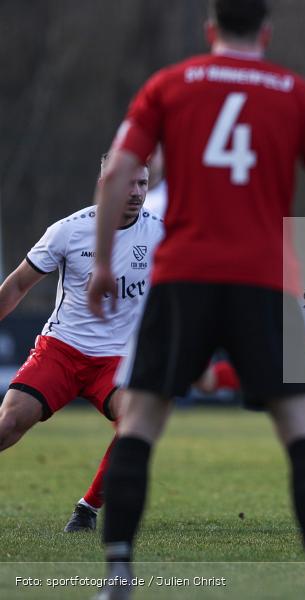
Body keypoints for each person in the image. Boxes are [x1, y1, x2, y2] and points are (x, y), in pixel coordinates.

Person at [87, 1, 305, 599]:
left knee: (142, 420)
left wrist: (103, 262)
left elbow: (118, 173)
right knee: (300, 426)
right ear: (265, 31)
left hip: (183, 276)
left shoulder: (169, 84)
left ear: (210, 30)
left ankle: (118, 572)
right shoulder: (294, 92)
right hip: (268, 282)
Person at [0, 154, 163, 533]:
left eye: (143, 183)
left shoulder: (160, 233)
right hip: (62, 349)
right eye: (128, 184)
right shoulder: (69, 230)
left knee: (137, 424)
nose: (137, 193)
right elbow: (19, 285)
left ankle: (87, 509)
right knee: (8, 423)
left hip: (119, 359)